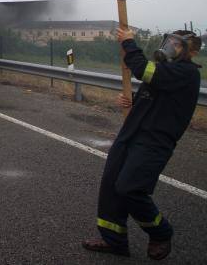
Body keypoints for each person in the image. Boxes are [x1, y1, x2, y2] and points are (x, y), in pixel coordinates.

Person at [83, 27, 202, 260]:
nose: (170, 46)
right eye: (170, 41)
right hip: (131, 134)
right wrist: (131, 101)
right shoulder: (167, 70)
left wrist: (129, 42)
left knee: (129, 188)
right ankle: (113, 240)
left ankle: (160, 232)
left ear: (192, 52)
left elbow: (143, 71)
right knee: (111, 185)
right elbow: (153, 97)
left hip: (154, 142)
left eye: (177, 44)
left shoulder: (186, 72)